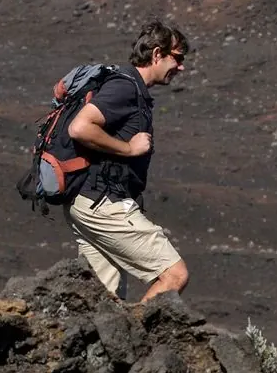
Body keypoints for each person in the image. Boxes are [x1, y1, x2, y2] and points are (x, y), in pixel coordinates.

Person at [64, 21, 191, 302]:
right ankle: (140, 337)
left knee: (103, 301)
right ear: (157, 54)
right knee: (174, 274)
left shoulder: (129, 86)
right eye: (178, 58)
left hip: (88, 202)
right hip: (103, 203)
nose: (181, 67)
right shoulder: (125, 87)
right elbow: (79, 128)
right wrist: (129, 149)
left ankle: (112, 342)